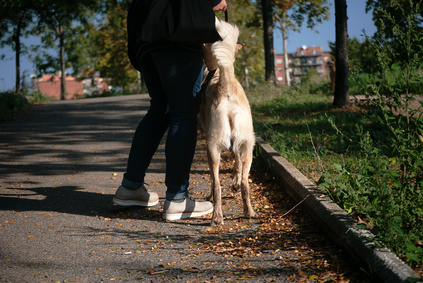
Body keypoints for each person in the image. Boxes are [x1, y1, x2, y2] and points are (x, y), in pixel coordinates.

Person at [113, 0, 227, 221]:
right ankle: (177, 199)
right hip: (178, 30)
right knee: (183, 112)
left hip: (144, 34)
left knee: (161, 109)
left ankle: (131, 187)